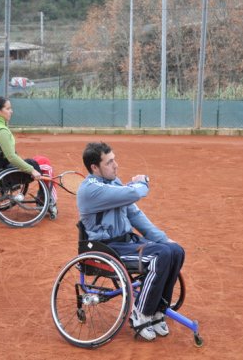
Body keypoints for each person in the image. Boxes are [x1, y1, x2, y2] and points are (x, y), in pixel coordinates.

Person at [76, 142, 185, 341]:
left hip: (127, 243)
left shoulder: (115, 183)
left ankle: (159, 310)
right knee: (161, 255)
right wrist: (142, 182)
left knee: (175, 250)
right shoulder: (90, 189)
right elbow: (135, 193)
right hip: (107, 249)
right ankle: (141, 313)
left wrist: (164, 238)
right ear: (94, 168)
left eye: (114, 160)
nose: (116, 165)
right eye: (109, 162)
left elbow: (135, 216)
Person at [0, 96, 57, 216]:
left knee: (43, 160)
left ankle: (43, 196)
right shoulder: (1, 131)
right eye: (8, 108)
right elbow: (11, 157)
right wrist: (32, 170)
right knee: (47, 168)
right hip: (8, 172)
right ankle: (48, 201)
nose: (11, 111)